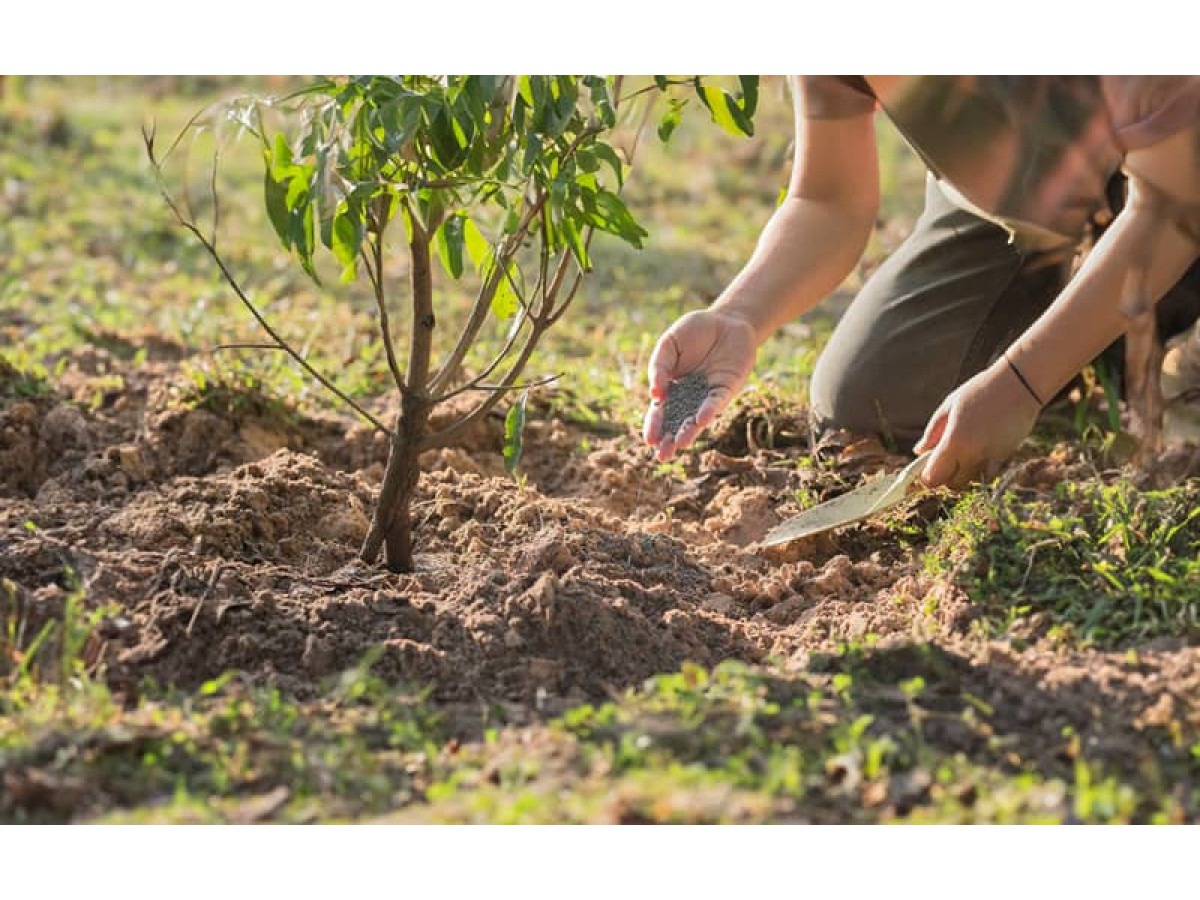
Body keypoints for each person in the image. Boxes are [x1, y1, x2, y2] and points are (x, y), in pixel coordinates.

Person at [642, 76, 1200, 489]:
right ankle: (1101, 334)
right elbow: (828, 201)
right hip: (1018, 199)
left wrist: (1021, 383)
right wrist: (739, 314)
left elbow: (1172, 206)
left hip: (1176, 173)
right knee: (868, 400)